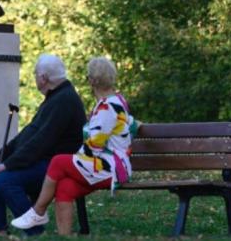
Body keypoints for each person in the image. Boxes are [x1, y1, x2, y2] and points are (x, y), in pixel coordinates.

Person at [10, 57, 136, 235]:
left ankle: (38, 211)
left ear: (91, 81)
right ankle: (65, 236)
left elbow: (93, 146)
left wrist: (74, 159)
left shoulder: (106, 108)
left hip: (110, 167)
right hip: (110, 165)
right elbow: (129, 123)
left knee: (59, 162)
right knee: (65, 188)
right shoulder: (116, 101)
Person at [0, 54, 86, 236]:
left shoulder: (64, 100)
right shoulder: (55, 97)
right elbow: (28, 134)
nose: (35, 77)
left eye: (36, 74)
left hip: (57, 166)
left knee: (4, 179)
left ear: (44, 78)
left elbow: (41, 143)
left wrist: (8, 165)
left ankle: (35, 230)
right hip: (44, 161)